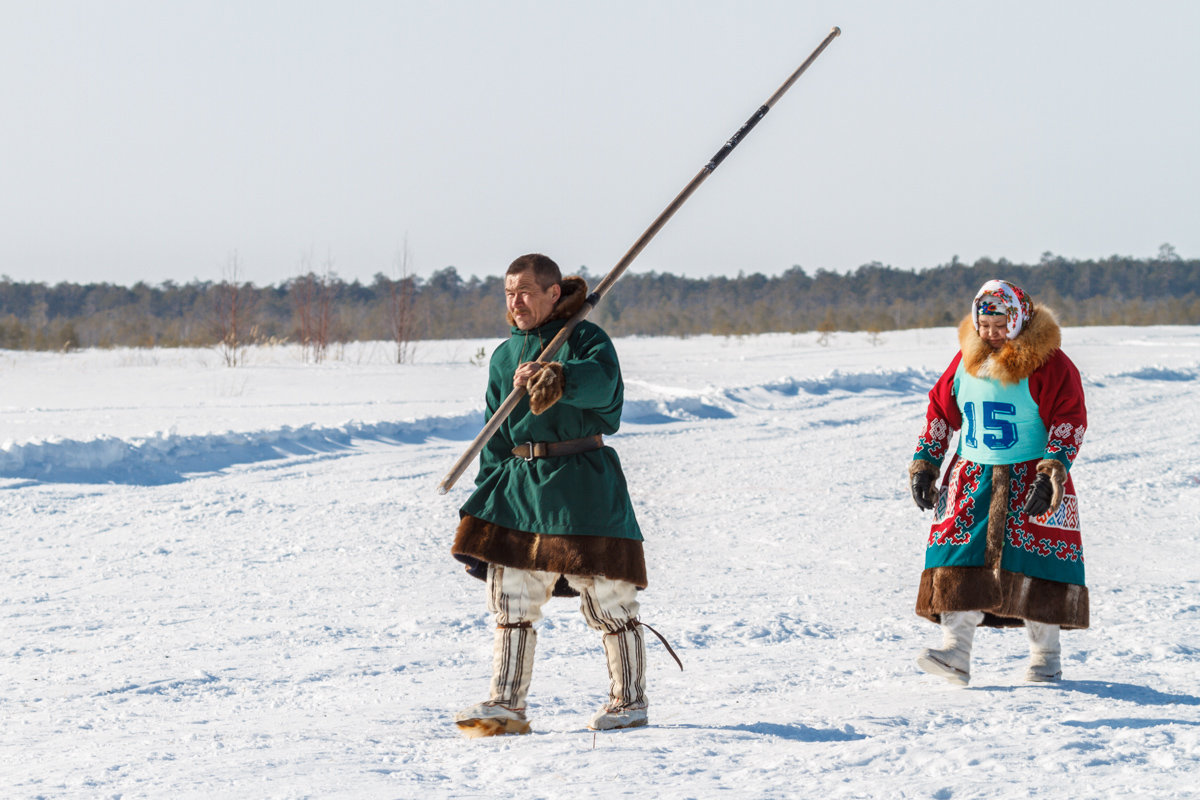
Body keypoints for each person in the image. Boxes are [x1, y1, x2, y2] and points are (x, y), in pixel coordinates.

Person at [450, 253, 652, 736]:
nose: (515, 302)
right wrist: (487, 496)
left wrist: (560, 377)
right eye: (508, 293)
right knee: (512, 597)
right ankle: (507, 705)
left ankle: (629, 701)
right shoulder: (504, 355)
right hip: (520, 485)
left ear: (552, 293)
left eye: (525, 292)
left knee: (608, 597)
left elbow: (608, 397)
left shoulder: (584, 339)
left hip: (582, 481)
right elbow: (496, 433)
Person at [908, 279, 1088, 685]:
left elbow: (1070, 418)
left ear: (1019, 319)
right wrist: (926, 463)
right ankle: (956, 652)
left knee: (1034, 564)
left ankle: (1046, 656)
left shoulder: (1050, 363)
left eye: (999, 325)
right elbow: (940, 412)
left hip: (1031, 479)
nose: (990, 334)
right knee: (957, 560)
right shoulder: (963, 362)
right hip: (972, 477)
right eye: (984, 326)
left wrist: (1053, 470)